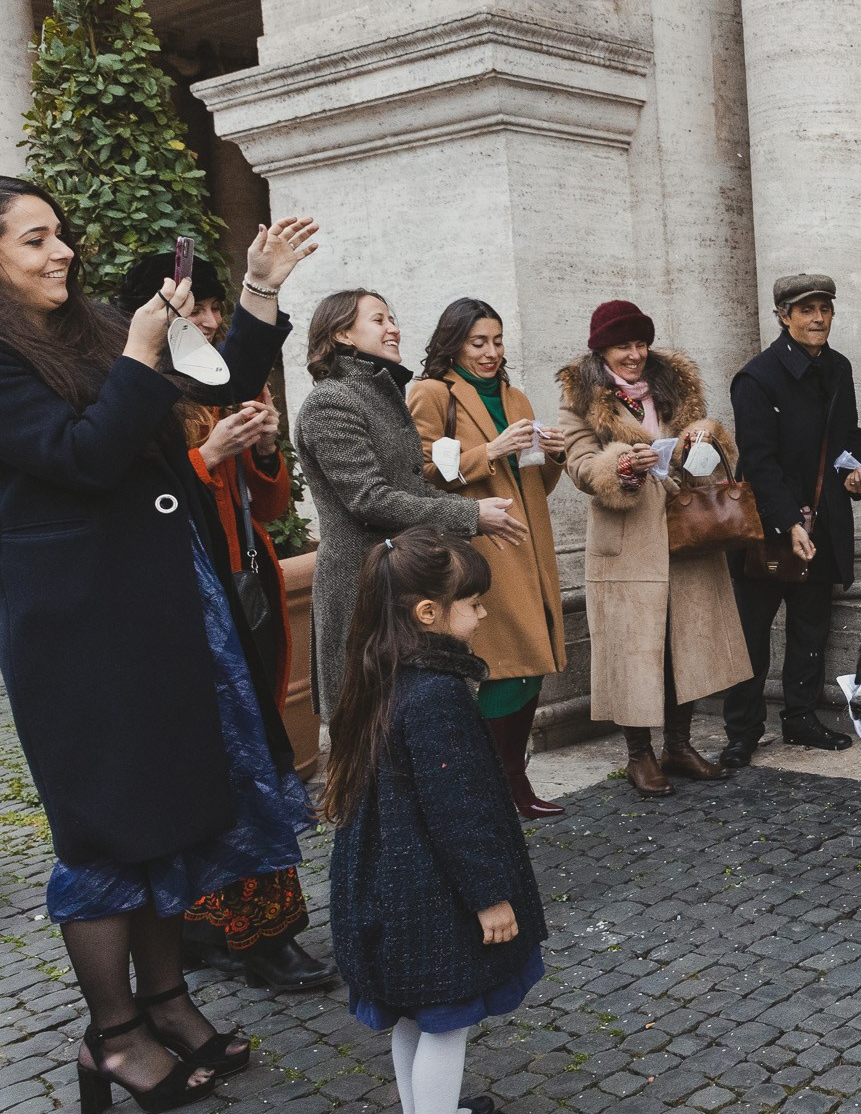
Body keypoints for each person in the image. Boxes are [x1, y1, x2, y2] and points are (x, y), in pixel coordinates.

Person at [0, 177, 319, 1114]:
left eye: (60, 233)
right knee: (106, 829)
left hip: (158, 607)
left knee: (167, 811)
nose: (62, 251)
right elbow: (83, 457)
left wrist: (256, 291)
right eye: (33, 241)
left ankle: (170, 1002)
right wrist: (138, 348)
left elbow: (206, 377)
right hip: (75, 628)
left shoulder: (85, 326)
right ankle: (114, 1036)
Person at [110, 254, 336, 992]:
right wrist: (207, 457)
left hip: (250, 599)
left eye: (215, 306)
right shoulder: (134, 401)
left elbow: (269, 509)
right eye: (199, 308)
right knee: (223, 767)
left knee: (253, 761)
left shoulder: (217, 386)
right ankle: (244, 938)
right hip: (185, 608)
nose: (211, 321)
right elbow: (140, 514)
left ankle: (249, 935)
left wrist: (265, 449)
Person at [324, 528, 542, 1114]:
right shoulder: (438, 695)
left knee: (416, 1014)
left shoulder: (384, 672)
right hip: (429, 896)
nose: (480, 614)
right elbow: (458, 810)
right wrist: (490, 897)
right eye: (472, 603)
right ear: (428, 614)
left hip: (389, 886)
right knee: (447, 1017)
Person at [296, 290, 527, 719]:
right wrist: (470, 514)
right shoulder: (331, 401)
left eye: (392, 318)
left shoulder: (379, 395)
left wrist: (479, 516)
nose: (393, 328)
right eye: (379, 320)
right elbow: (368, 498)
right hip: (362, 583)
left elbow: (411, 487)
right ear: (343, 334)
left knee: (411, 720)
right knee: (370, 722)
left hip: (401, 579)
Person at [558, 300, 749, 794]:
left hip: (685, 537)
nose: (635, 354)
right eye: (624, 345)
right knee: (633, 649)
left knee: (683, 643)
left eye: (641, 343)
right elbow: (578, 465)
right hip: (626, 544)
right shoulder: (581, 398)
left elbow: (709, 458)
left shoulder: (674, 386)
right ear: (602, 348)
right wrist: (621, 465)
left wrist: (706, 435)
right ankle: (639, 754)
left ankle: (679, 747)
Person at [408, 298, 570, 819]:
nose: (491, 352)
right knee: (502, 666)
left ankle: (513, 781)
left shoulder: (515, 395)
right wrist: (492, 450)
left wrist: (555, 455)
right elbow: (423, 472)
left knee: (532, 666)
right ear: (454, 343)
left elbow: (534, 481)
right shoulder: (431, 393)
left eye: (497, 341)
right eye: (479, 342)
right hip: (479, 548)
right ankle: (500, 788)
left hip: (530, 544)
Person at [720, 274, 861, 765]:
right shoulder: (756, 378)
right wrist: (790, 523)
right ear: (783, 317)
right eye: (806, 310)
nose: (818, 318)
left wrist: (855, 472)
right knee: (752, 632)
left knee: (811, 626)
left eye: (824, 308)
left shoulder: (839, 368)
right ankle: (742, 730)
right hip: (766, 528)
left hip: (823, 518)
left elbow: (849, 434)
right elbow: (758, 462)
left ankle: (801, 718)